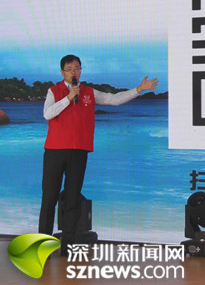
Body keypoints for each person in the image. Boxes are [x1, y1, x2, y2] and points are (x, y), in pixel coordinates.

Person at [38, 54, 158, 251]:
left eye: (77, 68)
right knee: (49, 197)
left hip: (79, 151)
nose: (74, 72)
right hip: (55, 151)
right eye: (70, 69)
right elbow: (47, 114)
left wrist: (138, 89)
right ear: (62, 72)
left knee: (72, 198)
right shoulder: (54, 91)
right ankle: (42, 244)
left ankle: (68, 245)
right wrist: (68, 98)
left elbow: (114, 99)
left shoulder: (89, 92)